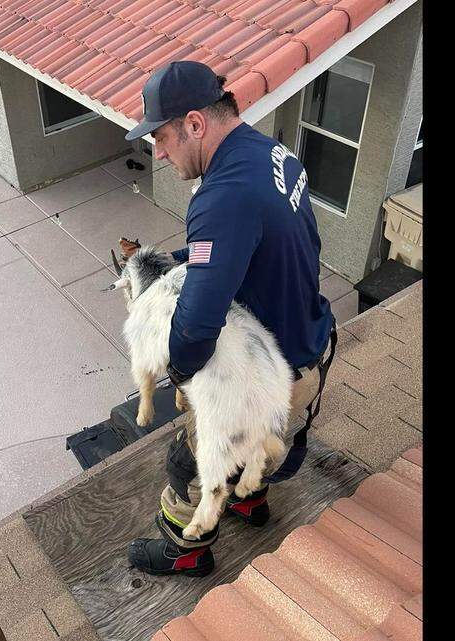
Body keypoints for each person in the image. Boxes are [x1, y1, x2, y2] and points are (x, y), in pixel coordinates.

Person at [121, 61, 338, 577]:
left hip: (262, 377)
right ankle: (249, 502)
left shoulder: (220, 197)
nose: (158, 152)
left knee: (191, 461)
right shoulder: (271, 154)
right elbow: (246, 247)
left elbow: (196, 329)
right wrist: (176, 263)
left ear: (195, 124)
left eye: (162, 137)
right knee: (250, 444)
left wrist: (177, 369)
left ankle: (186, 551)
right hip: (305, 341)